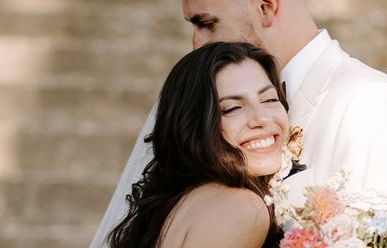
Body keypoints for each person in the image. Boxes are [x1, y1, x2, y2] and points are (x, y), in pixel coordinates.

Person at [91, 0, 387, 247]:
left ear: (266, 5)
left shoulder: (368, 106)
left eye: (207, 22)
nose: (196, 44)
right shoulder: (213, 131)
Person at [108, 41, 298, 248]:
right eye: (232, 108)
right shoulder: (240, 208)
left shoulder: (183, 203)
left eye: (270, 99)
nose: (262, 119)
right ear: (194, 127)